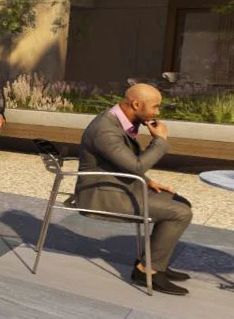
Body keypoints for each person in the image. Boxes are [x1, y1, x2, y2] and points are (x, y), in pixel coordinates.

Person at [75, 83, 194, 294]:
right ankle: (148, 270)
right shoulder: (105, 129)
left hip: (119, 184)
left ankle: (155, 261)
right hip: (103, 194)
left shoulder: (120, 121)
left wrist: (147, 181)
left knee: (180, 202)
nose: (157, 112)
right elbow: (136, 165)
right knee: (180, 213)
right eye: (155, 107)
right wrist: (160, 140)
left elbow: (123, 163)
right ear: (136, 104)